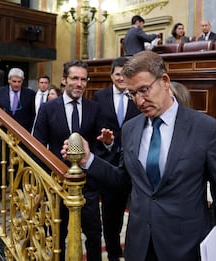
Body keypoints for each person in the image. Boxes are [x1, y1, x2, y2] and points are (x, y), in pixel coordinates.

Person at [61, 51, 216, 261]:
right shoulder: (130, 129)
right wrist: (89, 160)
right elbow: (125, 181)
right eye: (132, 93)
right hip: (139, 247)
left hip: (186, 248)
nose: (139, 100)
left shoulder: (205, 129)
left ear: (164, 81)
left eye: (144, 90)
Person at [32, 60, 110, 261]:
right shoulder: (48, 109)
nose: (80, 83)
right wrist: (42, 185)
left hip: (87, 185)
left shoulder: (95, 108)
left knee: (93, 234)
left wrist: (108, 143)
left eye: (84, 79)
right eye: (75, 78)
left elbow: (101, 145)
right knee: (58, 234)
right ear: (64, 80)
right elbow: (39, 147)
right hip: (58, 184)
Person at [92, 57, 140, 261]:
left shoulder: (137, 95)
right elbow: (95, 128)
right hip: (109, 163)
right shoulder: (99, 97)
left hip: (134, 164)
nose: (121, 78)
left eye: (125, 74)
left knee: (135, 213)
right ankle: (112, 252)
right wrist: (106, 143)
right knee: (111, 214)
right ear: (111, 75)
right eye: (118, 74)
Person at [0, 68, 36, 132]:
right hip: (2, 133)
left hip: (23, 134)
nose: (17, 84)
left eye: (19, 81)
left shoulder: (30, 94)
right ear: (9, 80)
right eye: (14, 81)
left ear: (22, 81)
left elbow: (33, 115)